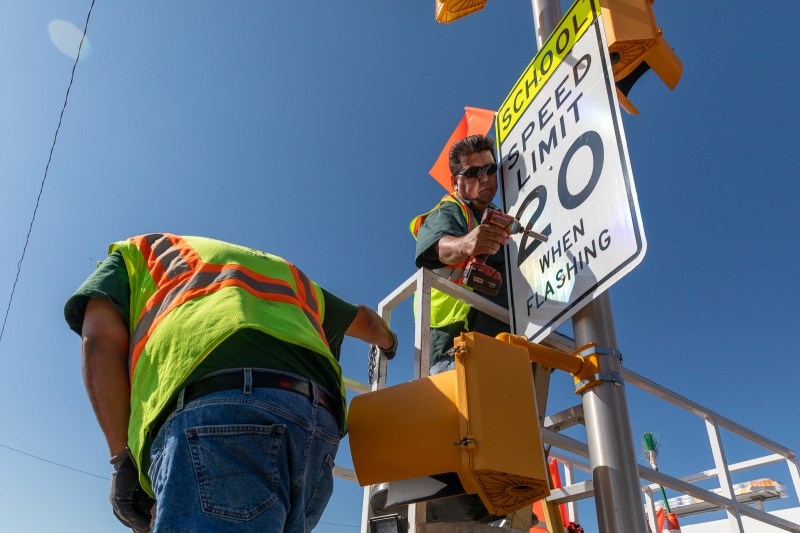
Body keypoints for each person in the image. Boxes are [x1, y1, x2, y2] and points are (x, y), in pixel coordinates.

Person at [64, 233, 397, 532]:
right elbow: (367, 321)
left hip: (221, 407)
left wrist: (122, 460)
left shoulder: (141, 252)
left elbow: (99, 337)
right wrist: (390, 344)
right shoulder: (288, 276)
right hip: (319, 425)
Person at [410, 134, 509, 374]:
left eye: (489, 169)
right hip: (454, 342)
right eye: (473, 173)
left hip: (501, 336)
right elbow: (441, 247)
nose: (484, 178)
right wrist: (466, 243)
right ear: (455, 182)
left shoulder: (501, 216)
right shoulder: (452, 208)